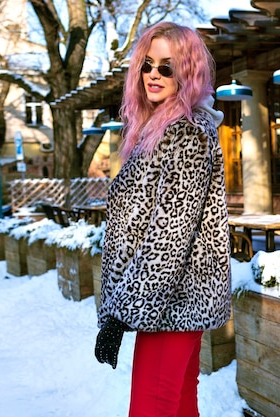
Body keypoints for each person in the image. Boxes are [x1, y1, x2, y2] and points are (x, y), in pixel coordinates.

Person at [94, 22, 231, 417]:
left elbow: (169, 238)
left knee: (152, 409)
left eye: (167, 67)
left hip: (169, 304)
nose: (154, 74)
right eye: (148, 65)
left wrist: (122, 314)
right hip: (169, 303)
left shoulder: (185, 134)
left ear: (187, 73)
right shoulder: (157, 130)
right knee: (179, 405)